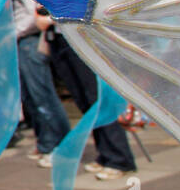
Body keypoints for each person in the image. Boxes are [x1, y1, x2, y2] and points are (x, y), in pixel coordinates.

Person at [42, 19, 137, 179]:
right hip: (60, 37)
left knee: (98, 100)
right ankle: (105, 154)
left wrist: (49, 17)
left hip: (80, 34)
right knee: (85, 102)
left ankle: (119, 159)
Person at [13, 0, 70, 166]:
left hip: (29, 41)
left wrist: (15, 32)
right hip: (24, 41)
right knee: (32, 97)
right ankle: (46, 143)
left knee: (42, 95)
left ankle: (59, 145)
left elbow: (34, 14)